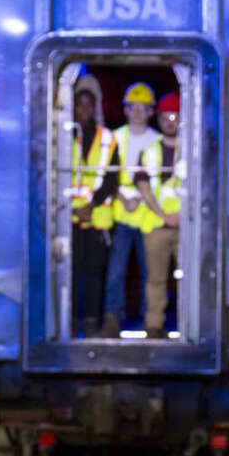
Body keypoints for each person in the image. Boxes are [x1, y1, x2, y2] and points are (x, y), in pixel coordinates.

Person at [101, 82, 160, 338]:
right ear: (125, 111)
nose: (137, 113)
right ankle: (112, 320)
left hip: (148, 215)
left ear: (150, 112)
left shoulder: (157, 140)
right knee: (116, 271)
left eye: (143, 108)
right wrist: (123, 196)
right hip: (122, 214)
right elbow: (106, 173)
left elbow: (159, 178)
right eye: (132, 108)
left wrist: (140, 197)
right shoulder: (114, 137)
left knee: (150, 272)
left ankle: (151, 322)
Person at [67, 85, 120, 337]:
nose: (84, 110)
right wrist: (73, 210)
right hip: (67, 219)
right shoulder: (62, 135)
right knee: (69, 272)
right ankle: (70, 321)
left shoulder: (107, 138)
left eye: (89, 105)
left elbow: (112, 178)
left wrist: (92, 205)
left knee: (95, 274)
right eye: (80, 104)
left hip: (97, 219)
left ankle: (91, 322)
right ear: (72, 106)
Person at [135, 92, 184, 338]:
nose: (169, 121)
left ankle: (190, 326)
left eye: (174, 116)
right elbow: (143, 186)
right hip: (156, 226)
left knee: (189, 279)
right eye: (165, 116)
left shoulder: (193, 150)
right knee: (155, 280)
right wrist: (165, 216)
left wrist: (181, 215)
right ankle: (154, 326)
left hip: (188, 227)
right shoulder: (149, 151)